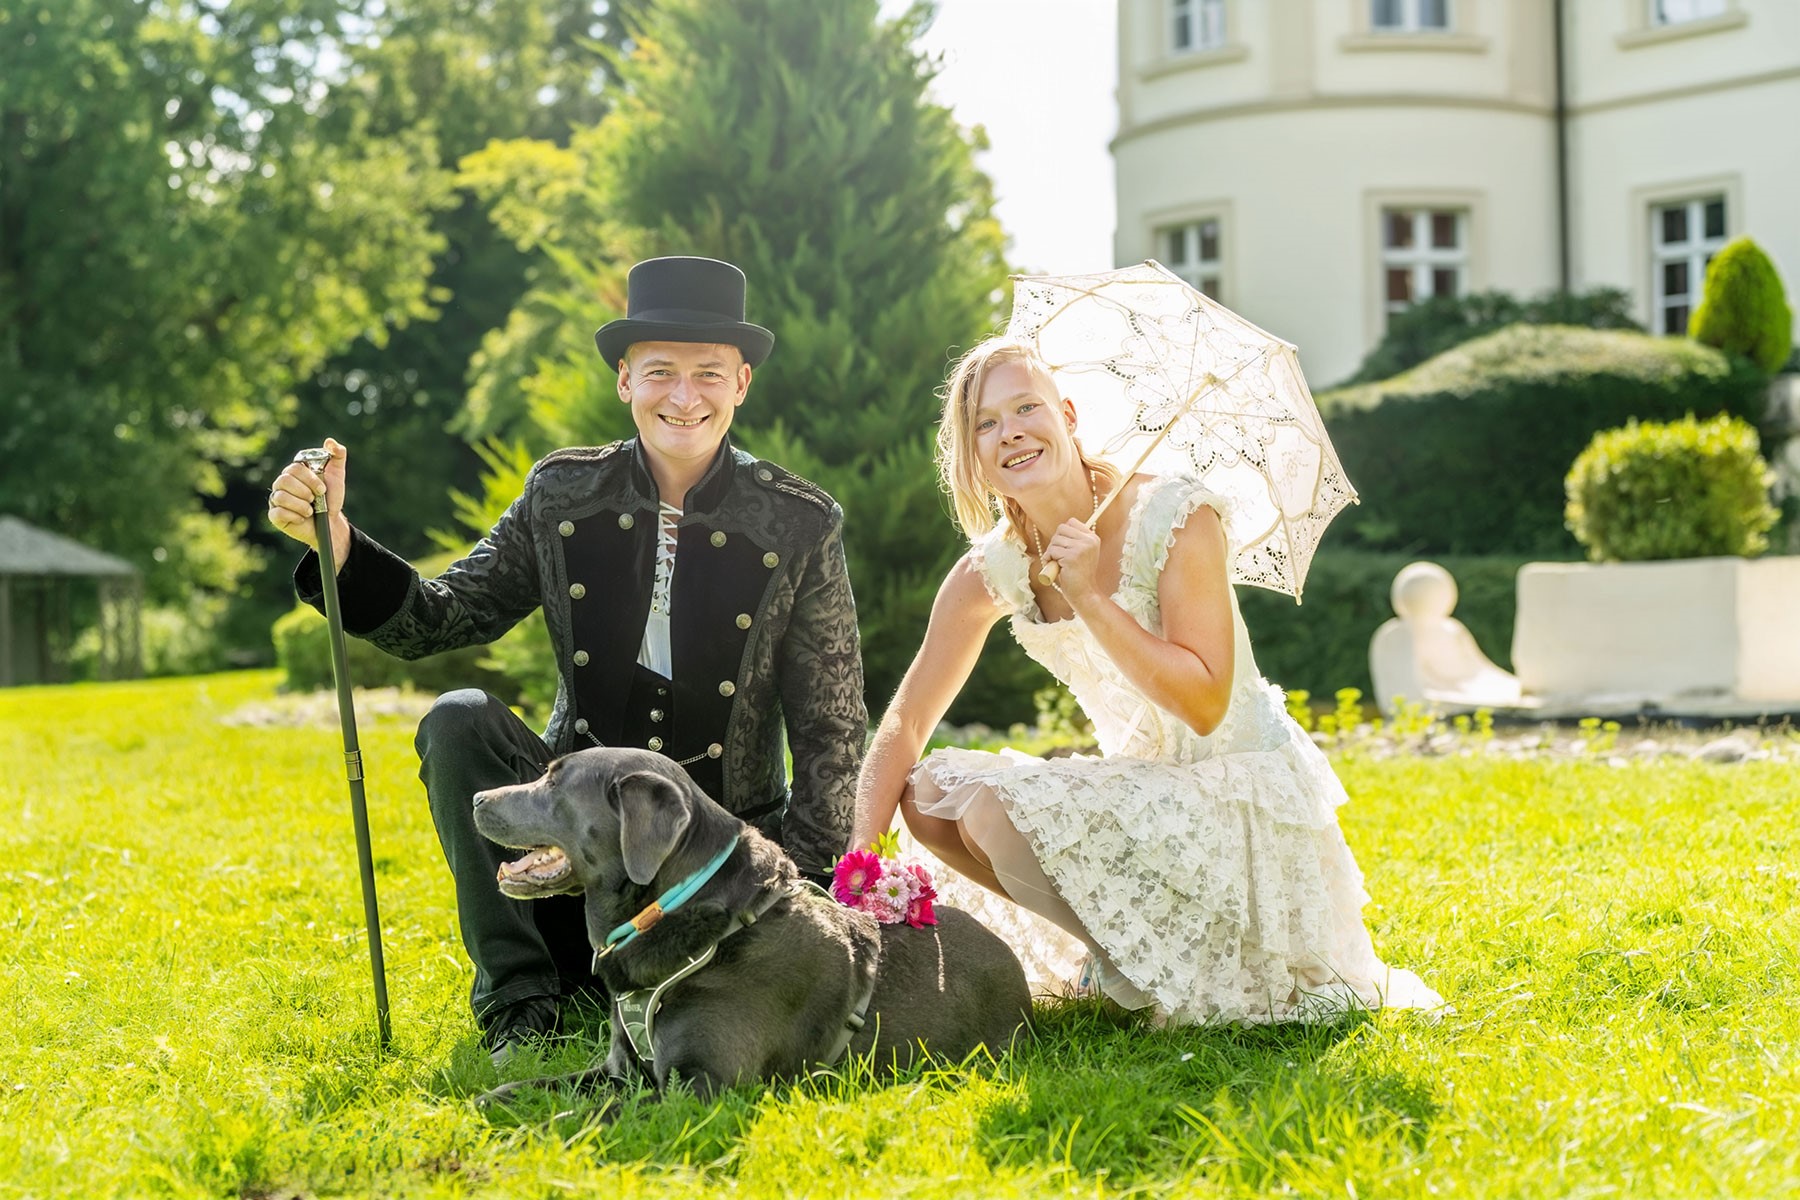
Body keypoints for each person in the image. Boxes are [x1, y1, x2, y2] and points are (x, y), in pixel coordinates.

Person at [269, 255, 867, 1063]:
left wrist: (806, 899)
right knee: (458, 719)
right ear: (625, 381)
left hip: (712, 881)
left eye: (707, 374)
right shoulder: (562, 495)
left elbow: (832, 727)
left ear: (741, 385)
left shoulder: (800, 522)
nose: (683, 396)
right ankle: (522, 1000)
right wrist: (337, 542)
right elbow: (444, 617)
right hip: (572, 858)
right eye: (660, 371)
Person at [853, 336, 1440, 1024]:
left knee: (986, 807)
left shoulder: (1175, 516)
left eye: (1026, 407)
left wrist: (1089, 597)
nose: (1009, 431)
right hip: (1138, 792)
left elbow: (1204, 703)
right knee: (929, 794)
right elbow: (907, 722)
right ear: (973, 457)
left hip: (1233, 793)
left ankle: (1141, 968)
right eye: (985, 423)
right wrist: (859, 861)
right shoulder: (994, 567)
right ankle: (1117, 959)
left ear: (1068, 416)